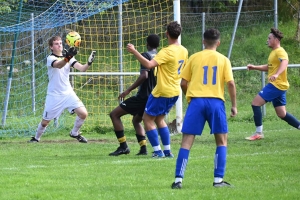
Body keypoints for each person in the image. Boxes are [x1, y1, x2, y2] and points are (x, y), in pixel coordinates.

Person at [171, 28, 237, 189]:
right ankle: (218, 180)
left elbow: (183, 82)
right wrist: (234, 105)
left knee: (186, 141)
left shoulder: (194, 58)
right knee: (221, 141)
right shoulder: (223, 59)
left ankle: (178, 180)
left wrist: (190, 98)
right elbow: (230, 83)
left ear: (203, 41)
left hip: (197, 102)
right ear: (218, 43)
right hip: (215, 102)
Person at [127, 21, 188, 158]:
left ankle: (157, 151)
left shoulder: (166, 51)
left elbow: (149, 64)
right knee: (160, 120)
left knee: (147, 119)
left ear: (167, 34)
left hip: (162, 91)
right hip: (174, 91)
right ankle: (167, 151)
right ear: (179, 34)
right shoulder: (184, 50)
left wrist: (134, 51)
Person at [28, 35, 96, 143]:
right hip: (54, 95)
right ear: (51, 47)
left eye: (60, 43)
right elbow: (59, 65)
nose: (59, 45)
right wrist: (68, 57)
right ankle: (36, 138)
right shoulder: (50, 58)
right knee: (45, 122)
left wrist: (89, 63)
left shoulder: (69, 57)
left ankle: (74, 133)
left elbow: (82, 69)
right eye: (56, 43)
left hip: (68, 93)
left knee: (83, 113)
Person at [109, 34, 160, 156]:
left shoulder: (146, 56)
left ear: (147, 43)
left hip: (143, 96)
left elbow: (144, 76)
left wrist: (127, 90)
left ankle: (123, 146)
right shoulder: (159, 56)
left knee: (114, 114)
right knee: (136, 120)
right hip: (154, 95)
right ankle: (143, 149)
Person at [245, 28, 300, 141]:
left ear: (276, 39)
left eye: (269, 38)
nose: (267, 40)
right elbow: (269, 67)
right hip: (280, 85)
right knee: (282, 114)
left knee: (255, 103)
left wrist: (277, 74)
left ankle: (258, 133)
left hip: (276, 84)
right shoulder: (273, 53)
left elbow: (284, 62)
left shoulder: (280, 51)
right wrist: (255, 67)